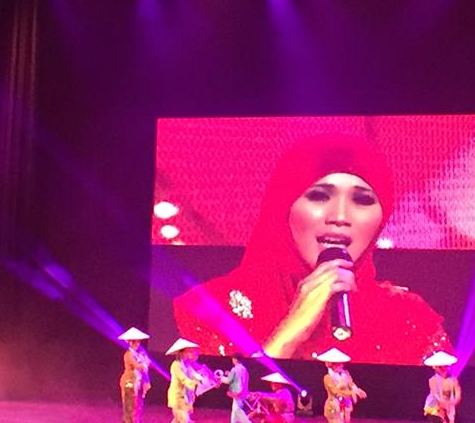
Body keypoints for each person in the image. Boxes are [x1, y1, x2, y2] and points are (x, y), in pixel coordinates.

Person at [173, 134, 451, 364]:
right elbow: (214, 410)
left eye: (362, 200)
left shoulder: (409, 319)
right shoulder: (211, 310)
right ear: (284, 208)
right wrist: (291, 331)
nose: (340, 216)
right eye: (319, 196)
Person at [317, 348, 366, 423]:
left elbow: (351, 385)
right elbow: (335, 392)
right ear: (331, 365)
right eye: (338, 364)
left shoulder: (345, 375)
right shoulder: (327, 378)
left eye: (341, 363)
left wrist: (357, 390)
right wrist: (351, 393)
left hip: (344, 406)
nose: (341, 366)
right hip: (333, 407)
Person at [160, 338, 207, 423]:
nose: (189, 354)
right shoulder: (176, 365)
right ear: (181, 352)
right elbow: (183, 379)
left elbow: (195, 375)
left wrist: (206, 381)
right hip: (177, 396)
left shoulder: (187, 365)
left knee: (178, 420)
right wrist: (193, 383)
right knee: (184, 420)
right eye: (187, 351)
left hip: (185, 397)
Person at [420, 350, 461, 423]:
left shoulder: (453, 380)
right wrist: (443, 407)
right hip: (434, 408)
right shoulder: (433, 380)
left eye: (445, 366)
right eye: (441, 367)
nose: (443, 369)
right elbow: (436, 395)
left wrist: (453, 402)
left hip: (447, 408)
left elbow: (458, 393)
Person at [118, 327, 152, 423]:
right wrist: (144, 364)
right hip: (129, 381)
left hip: (137, 381)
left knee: (137, 405)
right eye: (134, 341)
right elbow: (138, 366)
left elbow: (146, 363)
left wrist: (145, 363)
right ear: (129, 342)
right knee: (130, 404)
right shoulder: (128, 354)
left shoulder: (139, 354)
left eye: (138, 341)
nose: (137, 344)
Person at [220, 352, 254, 423]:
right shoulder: (243, 369)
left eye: (233, 359)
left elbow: (229, 380)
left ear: (235, 359)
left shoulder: (235, 369)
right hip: (243, 390)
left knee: (237, 409)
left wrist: (221, 378)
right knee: (235, 408)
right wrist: (229, 374)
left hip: (237, 391)